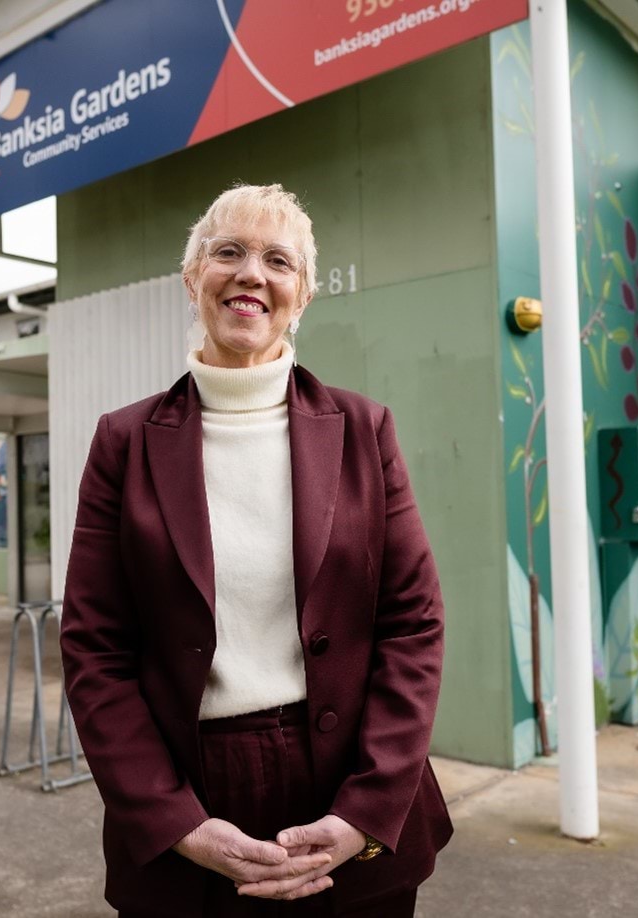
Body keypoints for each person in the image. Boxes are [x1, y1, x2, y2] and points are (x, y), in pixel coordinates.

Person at [61, 183, 451, 917]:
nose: (251, 274)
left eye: (278, 260)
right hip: (190, 789)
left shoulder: (364, 430)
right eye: (227, 252)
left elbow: (413, 625)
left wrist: (365, 811)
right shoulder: (124, 441)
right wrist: (172, 821)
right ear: (192, 278)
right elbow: (94, 648)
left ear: (301, 295)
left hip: (345, 784)